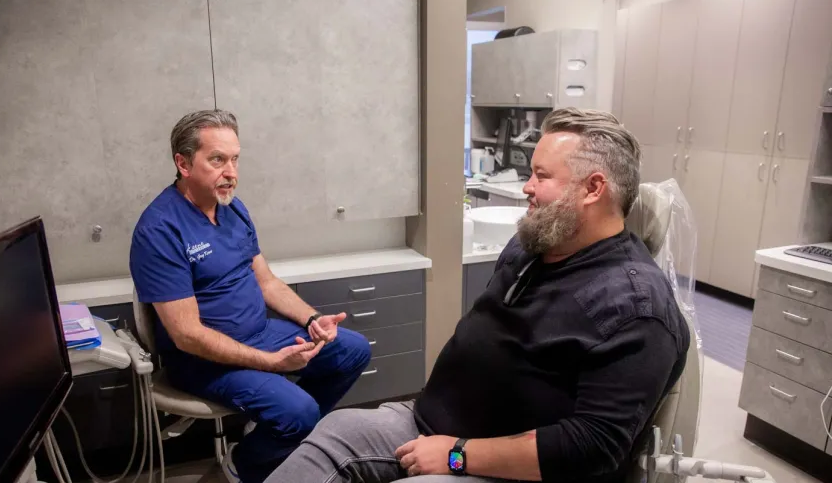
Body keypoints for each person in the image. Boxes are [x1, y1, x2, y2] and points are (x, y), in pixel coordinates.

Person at [264, 108, 691, 483]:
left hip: (513, 471)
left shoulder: (636, 310)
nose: (526, 187)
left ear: (593, 189)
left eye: (541, 176)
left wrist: (456, 454)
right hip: (432, 425)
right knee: (335, 433)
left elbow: (592, 446)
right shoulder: (533, 246)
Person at [129, 109, 372, 483]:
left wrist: (312, 320)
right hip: (202, 360)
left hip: (259, 333)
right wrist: (270, 362)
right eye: (217, 160)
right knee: (298, 411)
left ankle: (277, 437)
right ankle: (244, 465)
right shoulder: (160, 229)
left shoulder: (233, 209)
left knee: (351, 349)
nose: (232, 173)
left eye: (235, 159)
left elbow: (267, 283)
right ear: (183, 163)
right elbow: (187, 335)